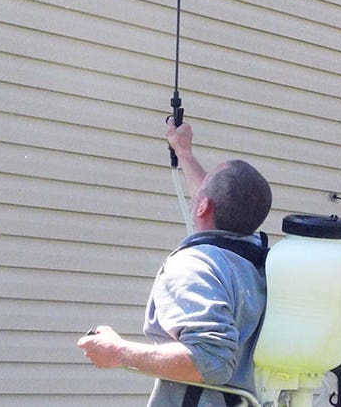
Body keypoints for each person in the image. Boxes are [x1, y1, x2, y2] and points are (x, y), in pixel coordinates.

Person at [78, 120, 273, 407]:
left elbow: (211, 362)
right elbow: (215, 202)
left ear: (203, 206)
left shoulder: (196, 265)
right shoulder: (260, 258)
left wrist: (118, 352)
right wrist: (184, 153)